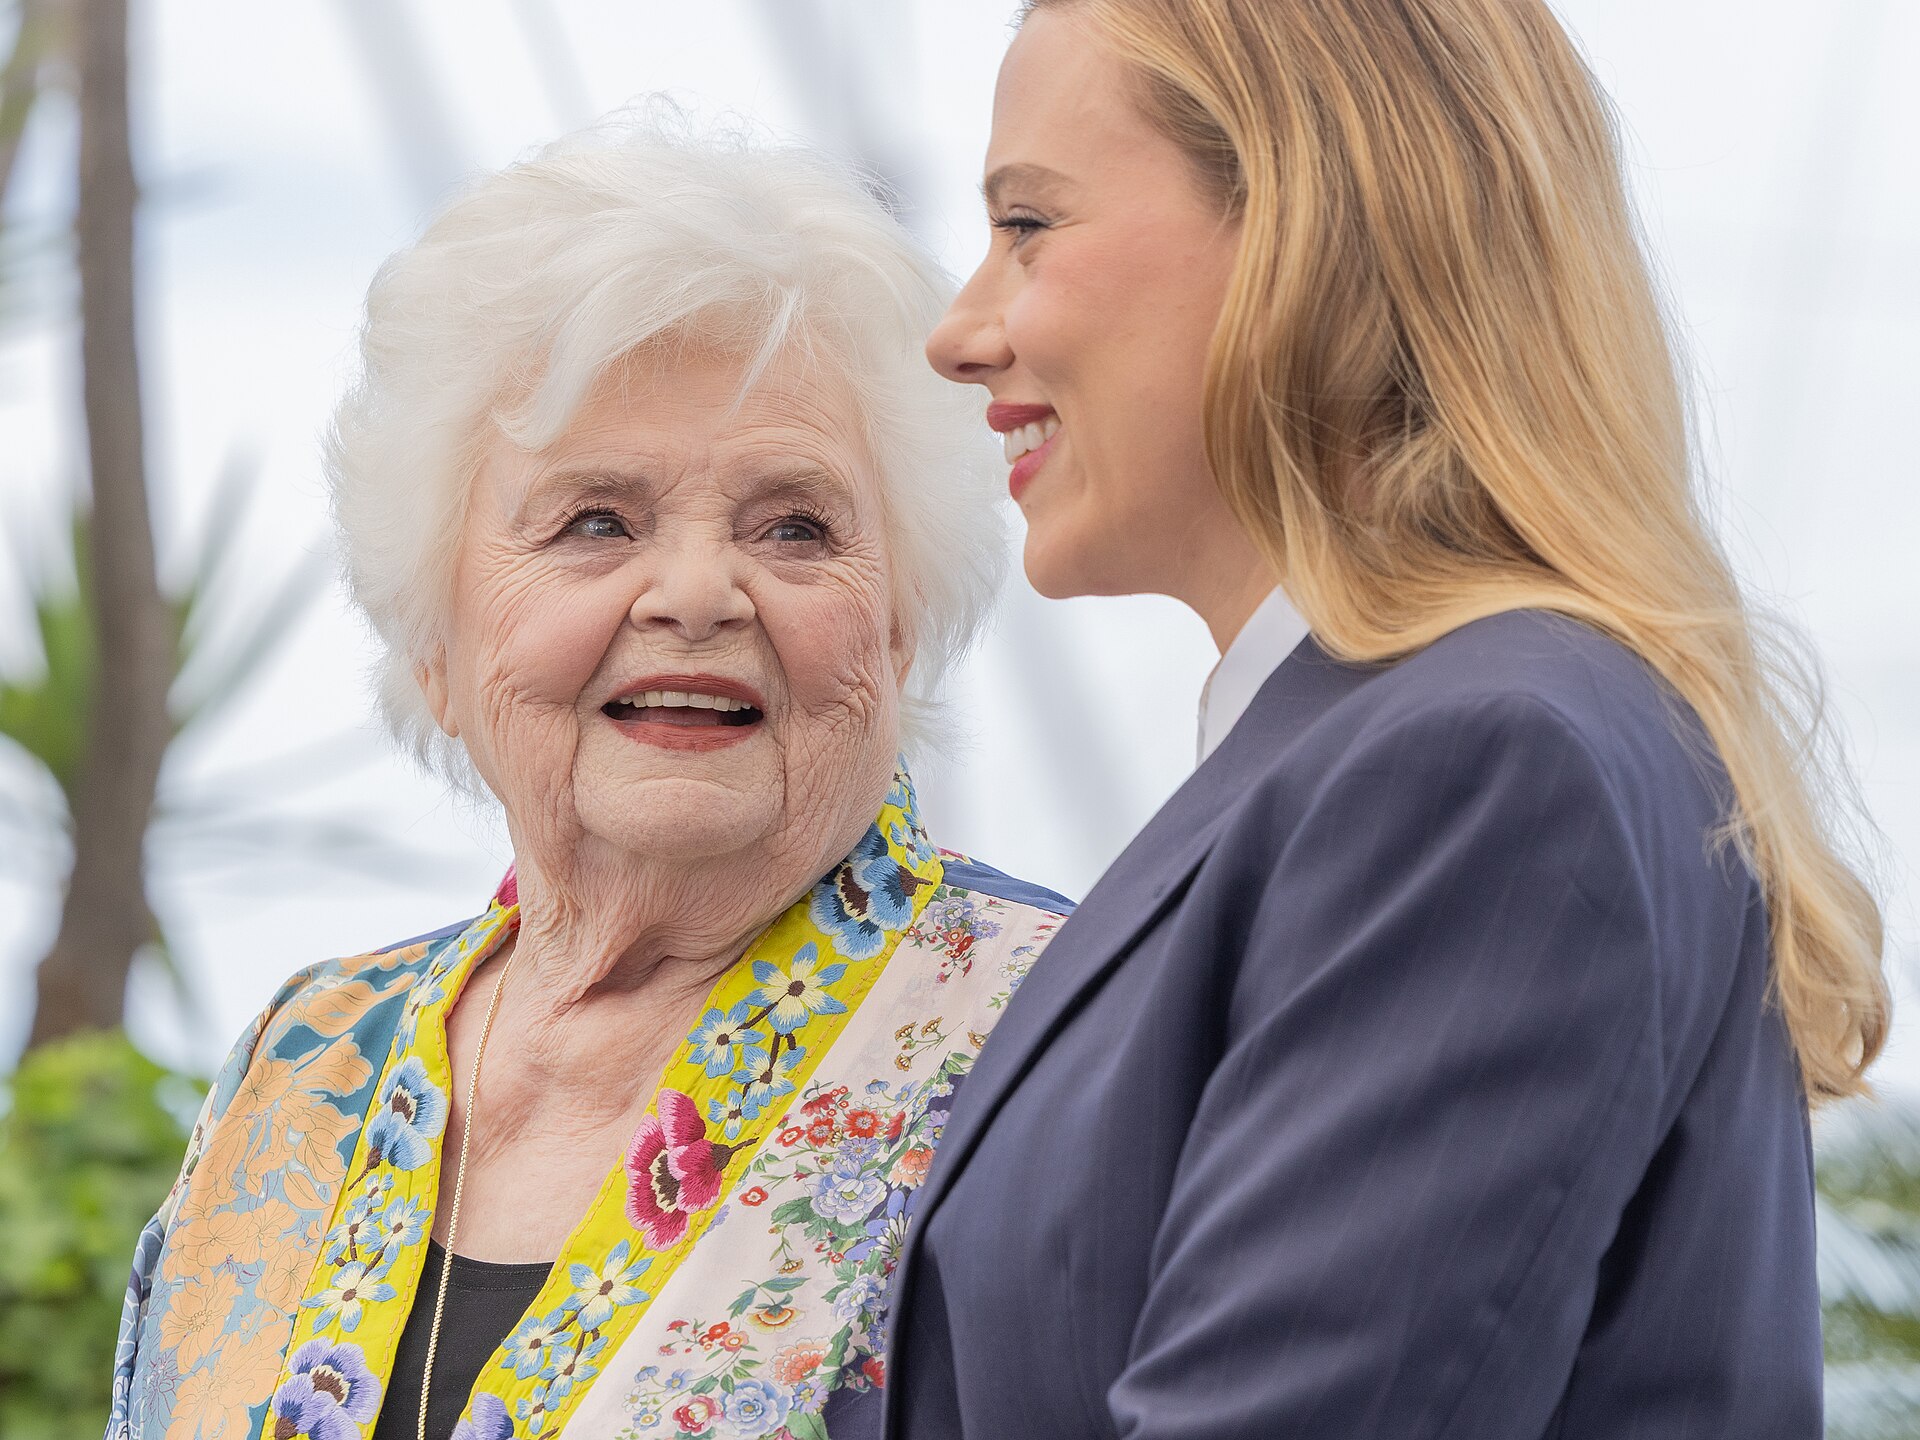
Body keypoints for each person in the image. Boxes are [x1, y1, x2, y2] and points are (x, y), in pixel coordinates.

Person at [902, 1, 1889, 1436]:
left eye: (1030, 223)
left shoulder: (1483, 764)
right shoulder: (1406, 752)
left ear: (1311, 219)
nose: (959, 329)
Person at [108, 122, 1072, 1440]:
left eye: (796, 525)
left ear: (901, 628)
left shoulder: (1064, 1036)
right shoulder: (303, 1061)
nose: (693, 594)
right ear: (437, 644)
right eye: (595, 521)